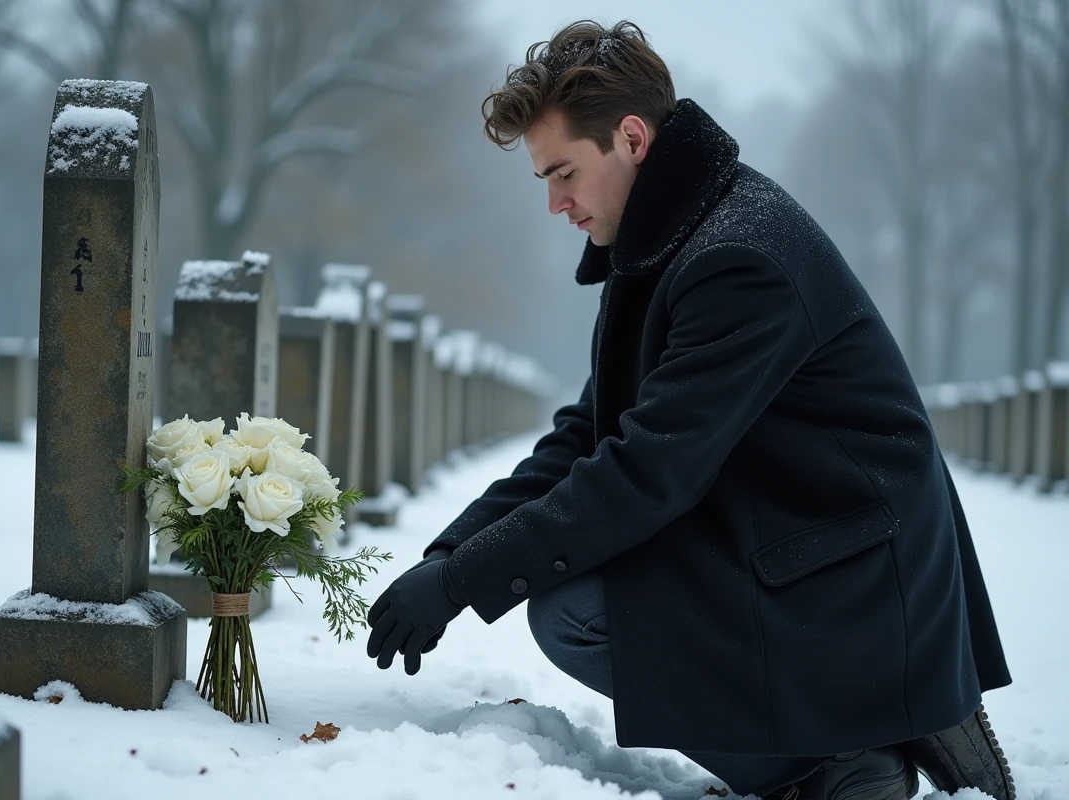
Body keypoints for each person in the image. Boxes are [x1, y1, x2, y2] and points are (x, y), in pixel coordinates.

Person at [364, 19, 1015, 800]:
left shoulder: (739, 257)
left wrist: (466, 580)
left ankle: (844, 763)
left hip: (854, 577)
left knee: (574, 610)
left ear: (631, 139)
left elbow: (646, 471)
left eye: (563, 172)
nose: (554, 202)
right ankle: (837, 741)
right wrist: (453, 555)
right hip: (785, 529)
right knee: (577, 586)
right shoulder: (674, 233)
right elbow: (587, 433)